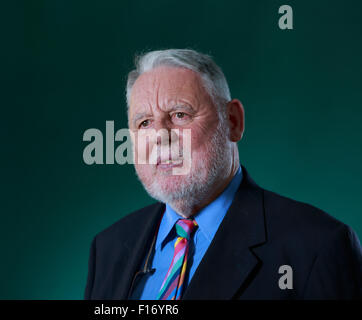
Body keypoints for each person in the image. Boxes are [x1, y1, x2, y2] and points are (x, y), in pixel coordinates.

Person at [84, 49, 362, 300]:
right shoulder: (108, 250)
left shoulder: (318, 247)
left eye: (180, 115)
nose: (161, 137)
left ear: (233, 122)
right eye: (144, 123)